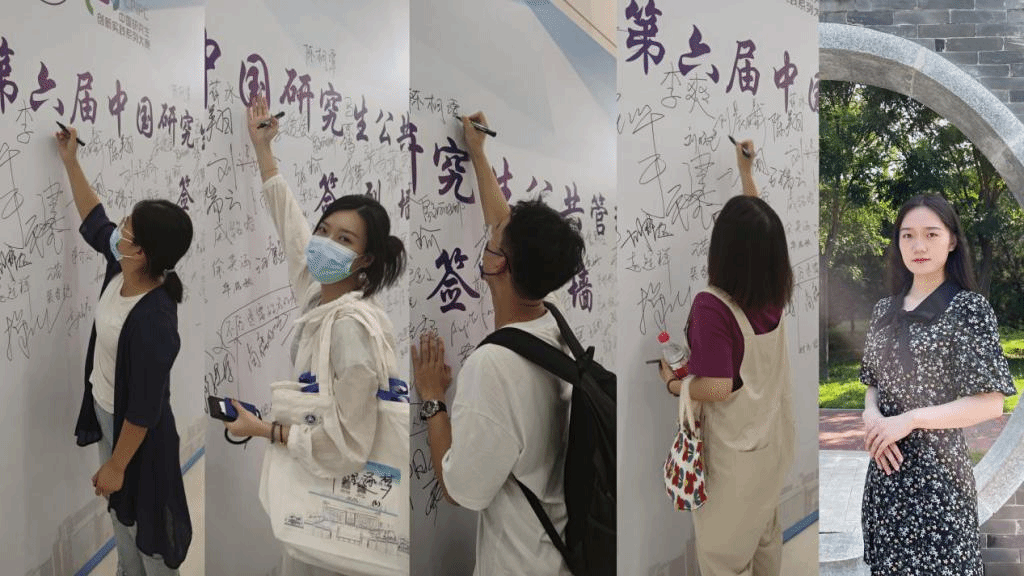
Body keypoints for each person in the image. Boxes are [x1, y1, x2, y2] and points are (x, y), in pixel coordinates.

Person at [222, 95, 407, 576]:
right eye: (324, 230)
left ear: (365, 260)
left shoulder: (349, 329)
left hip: (335, 527)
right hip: (315, 512)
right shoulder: (320, 296)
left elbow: (347, 448)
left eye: (344, 239)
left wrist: (262, 429)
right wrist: (264, 149)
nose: (323, 243)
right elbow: (290, 222)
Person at [411, 111, 585, 576]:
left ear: (498, 265)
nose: (488, 241)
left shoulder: (494, 366)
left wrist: (433, 398)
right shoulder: (554, 323)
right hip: (559, 555)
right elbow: (504, 225)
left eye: (494, 244)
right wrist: (477, 152)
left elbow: (460, 490)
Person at [56, 125, 194, 575]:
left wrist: (117, 464)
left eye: (128, 229)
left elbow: (145, 407)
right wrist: (71, 161)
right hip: (105, 410)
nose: (118, 231)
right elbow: (95, 219)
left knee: (147, 527)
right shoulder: (123, 266)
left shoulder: (156, 320)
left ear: (144, 252)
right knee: (120, 514)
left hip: (138, 432)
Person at [656, 139, 795, 576]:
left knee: (724, 561)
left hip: (736, 460)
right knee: (765, 538)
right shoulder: (771, 290)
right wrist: (746, 174)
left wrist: (674, 383)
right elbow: (758, 237)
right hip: (773, 445)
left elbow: (716, 387)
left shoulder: (712, 306)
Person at [859, 194, 1014, 575]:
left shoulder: (968, 309)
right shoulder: (884, 310)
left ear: (952, 240)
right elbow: (872, 383)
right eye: (908, 235)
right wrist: (871, 414)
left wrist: (909, 420)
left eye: (931, 234)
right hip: (885, 482)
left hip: (939, 485)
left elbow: (991, 403)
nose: (919, 246)